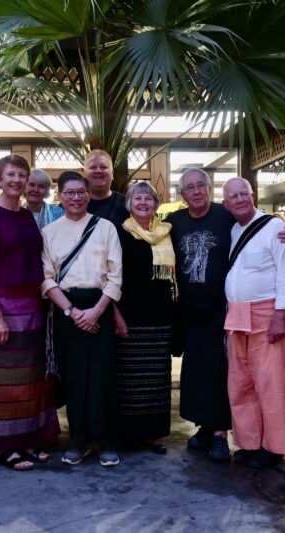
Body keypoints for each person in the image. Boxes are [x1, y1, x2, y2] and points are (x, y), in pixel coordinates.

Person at [0, 154, 60, 471]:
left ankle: (27, 439)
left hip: (32, 306)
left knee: (30, 380)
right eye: (11, 175)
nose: (17, 181)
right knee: (3, 382)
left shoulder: (25, 216)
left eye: (21, 175)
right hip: (3, 305)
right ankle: (3, 446)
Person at [41, 171, 123, 467]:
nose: (75, 198)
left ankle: (105, 441)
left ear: (89, 195)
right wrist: (73, 312)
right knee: (74, 376)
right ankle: (77, 439)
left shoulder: (106, 228)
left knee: (102, 376)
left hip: (99, 306)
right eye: (69, 193)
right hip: (67, 309)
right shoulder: (49, 233)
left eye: (80, 192)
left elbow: (115, 277)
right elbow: (46, 279)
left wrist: (97, 311)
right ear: (59, 197)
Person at [221, 177, 285, 468]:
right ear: (226, 204)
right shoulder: (233, 230)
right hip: (236, 313)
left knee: (269, 381)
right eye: (233, 196)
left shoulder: (275, 227)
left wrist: (282, 315)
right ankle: (249, 442)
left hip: (267, 314)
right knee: (240, 381)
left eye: (244, 194)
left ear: (252, 196)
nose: (240, 199)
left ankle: (273, 447)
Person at [166, 168, 233, 462]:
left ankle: (220, 434)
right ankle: (204, 428)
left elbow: (254, 227)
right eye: (189, 188)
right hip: (189, 310)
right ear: (182, 195)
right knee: (195, 373)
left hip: (221, 308)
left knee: (219, 371)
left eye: (200, 186)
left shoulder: (226, 216)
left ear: (210, 188)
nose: (196, 192)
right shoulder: (174, 222)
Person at [113, 181, 176, 455]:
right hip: (130, 314)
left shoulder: (166, 232)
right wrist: (115, 314)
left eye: (148, 199)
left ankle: (151, 434)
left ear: (155, 204)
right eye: (137, 198)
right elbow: (111, 274)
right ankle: (128, 434)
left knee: (156, 377)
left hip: (160, 315)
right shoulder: (120, 232)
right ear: (129, 203)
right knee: (129, 378)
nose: (143, 203)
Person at [85, 149, 129, 226]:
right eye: (92, 167)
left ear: (112, 173)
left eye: (103, 167)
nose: (98, 170)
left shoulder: (128, 205)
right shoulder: (71, 205)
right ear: (85, 174)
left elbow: (154, 223)